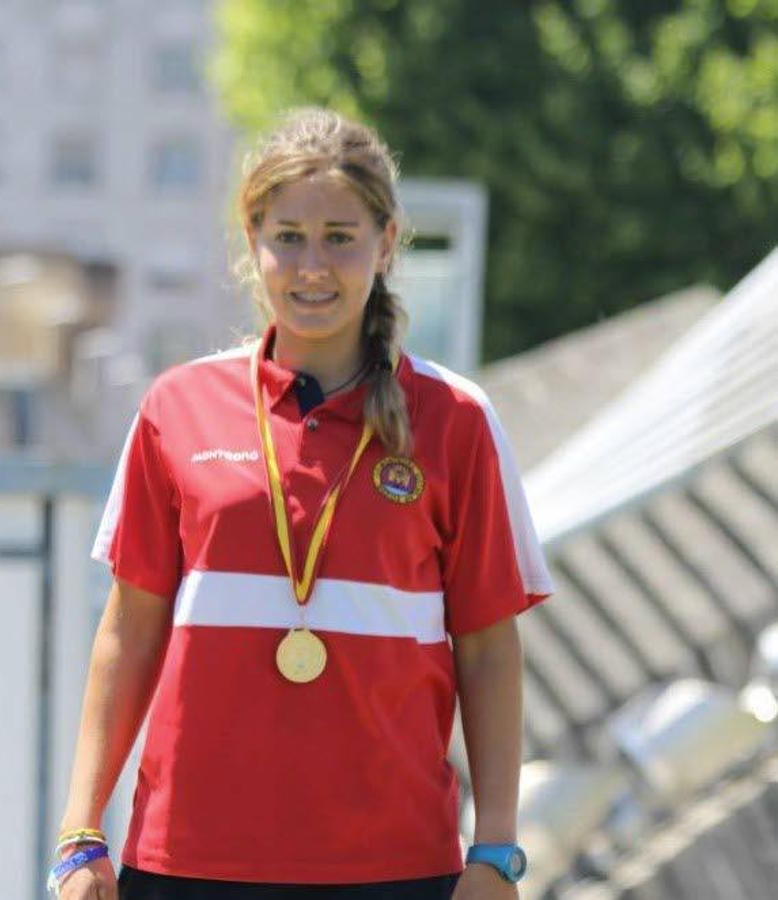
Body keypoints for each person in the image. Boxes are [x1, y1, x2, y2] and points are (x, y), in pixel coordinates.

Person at [51, 107, 555, 900]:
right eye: (288, 236)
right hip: (188, 862)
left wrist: (496, 851)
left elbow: (489, 650)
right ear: (251, 242)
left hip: (396, 868)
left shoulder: (456, 421)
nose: (312, 265)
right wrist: (81, 837)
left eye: (340, 237)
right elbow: (127, 633)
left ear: (387, 243)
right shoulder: (175, 408)